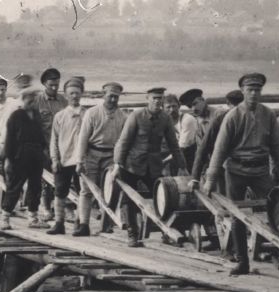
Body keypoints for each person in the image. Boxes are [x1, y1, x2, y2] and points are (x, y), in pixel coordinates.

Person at [202, 74, 279, 271]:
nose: (254, 93)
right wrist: (210, 179)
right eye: (250, 90)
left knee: (277, 208)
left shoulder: (268, 115)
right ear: (243, 91)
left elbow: (277, 146)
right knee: (236, 214)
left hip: (261, 170)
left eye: (257, 90)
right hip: (236, 171)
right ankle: (242, 261)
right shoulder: (233, 116)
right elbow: (220, 149)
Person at [115, 87, 186, 247]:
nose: (157, 101)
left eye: (160, 98)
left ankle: (167, 233)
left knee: (164, 197)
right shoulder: (136, 116)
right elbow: (124, 142)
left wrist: (182, 166)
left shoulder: (165, 119)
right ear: (147, 99)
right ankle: (132, 234)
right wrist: (118, 165)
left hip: (153, 166)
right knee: (129, 199)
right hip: (131, 165)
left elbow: (174, 145)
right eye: (154, 98)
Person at [74, 82, 128, 236]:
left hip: (111, 156)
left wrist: (118, 163)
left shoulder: (123, 117)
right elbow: (83, 138)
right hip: (91, 154)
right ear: (104, 95)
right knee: (86, 190)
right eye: (110, 96)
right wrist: (79, 161)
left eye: (116, 97)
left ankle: (106, 224)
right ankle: (84, 224)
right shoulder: (92, 113)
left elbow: (123, 142)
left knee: (110, 190)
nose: (113, 100)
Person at [2, 81, 49, 225]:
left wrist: (43, 151)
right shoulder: (16, 115)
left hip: (36, 156)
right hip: (20, 156)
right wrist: (9, 159)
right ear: (23, 99)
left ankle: (33, 218)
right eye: (29, 98)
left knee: (35, 186)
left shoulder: (36, 115)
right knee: (14, 187)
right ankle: (5, 218)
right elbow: (9, 139)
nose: (32, 100)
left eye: (34, 98)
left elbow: (41, 135)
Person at [47, 77, 86, 234]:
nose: (74, 96)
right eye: (71, 93)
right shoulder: (60, 116)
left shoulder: (87, 114)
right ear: (66, 95)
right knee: (60, 191)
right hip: (64, 160)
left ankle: (79, 222)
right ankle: (59, 223)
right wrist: (55, 159)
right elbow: (54, 140)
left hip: (81, 161)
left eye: (77, 93)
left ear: (82, 93)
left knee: (83, 191)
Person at [28, 69, 68, 223]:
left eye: (57, 84)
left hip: (61, 146)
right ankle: (45, 208)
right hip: (43, 146)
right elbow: (32, 125)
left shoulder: (63, 101)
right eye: (51, 85)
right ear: (44, 84)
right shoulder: (37, 102)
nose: (54, 87)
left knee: (61, 177)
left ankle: (61, 208)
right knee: (45, 179)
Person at [191, 89, 244, 185]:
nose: (238, 111)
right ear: (228, 104)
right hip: (224, 166)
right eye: (235, 107)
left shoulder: (255, 117)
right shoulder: (220, 119)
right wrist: (195, 177)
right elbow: (203, 147)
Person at [176, 88, 209, 169]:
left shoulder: (217, 116)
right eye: (190, 106)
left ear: (202, 101)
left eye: (195, 104)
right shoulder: (198, 119)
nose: (193, 109)